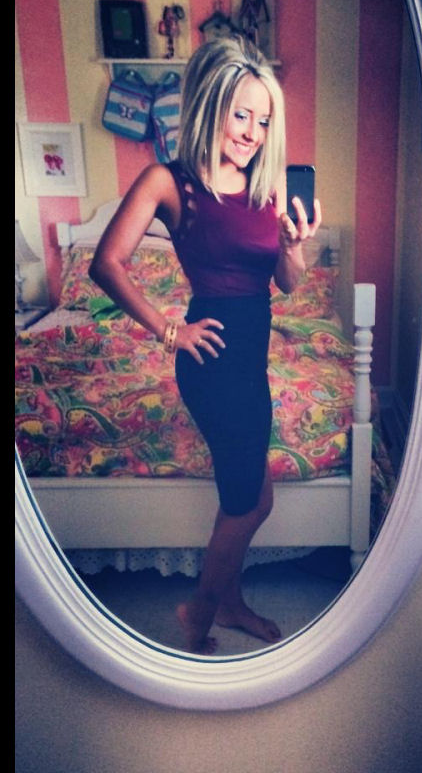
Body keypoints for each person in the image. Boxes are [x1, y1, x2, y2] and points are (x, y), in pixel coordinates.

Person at [88, 35, 321, 654]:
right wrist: (170, 330)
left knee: (253, 497)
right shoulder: (169, 181)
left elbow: (288, 284)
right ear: (213, 106)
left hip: (252, 362)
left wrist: (293, 249)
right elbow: (106, 264)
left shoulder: (267, 187)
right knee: (249, 503)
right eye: (241, 114)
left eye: (263, 121)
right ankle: (199, 612)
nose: (252, 133)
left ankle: (230, 600)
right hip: (212, 362)